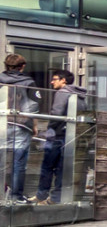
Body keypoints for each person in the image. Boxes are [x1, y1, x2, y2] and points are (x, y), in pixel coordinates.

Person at [36, 69, 83, 205]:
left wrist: (49, 129)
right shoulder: (79, 95)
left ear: (63, 80)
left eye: (55, 79)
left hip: (57, 135)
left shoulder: (63, 92)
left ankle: (41, 196)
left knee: (47, 167)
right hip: (70, 135)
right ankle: (56, 198)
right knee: (62, 169)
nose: (51, 81)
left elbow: (56, 113)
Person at [1, 55, 36, 203]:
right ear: (22, 66)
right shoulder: (29, 82)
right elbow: (33, 106)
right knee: (19, 163)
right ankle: (16, 197)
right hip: (21, 125)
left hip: (1, 124)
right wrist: (34, 125)